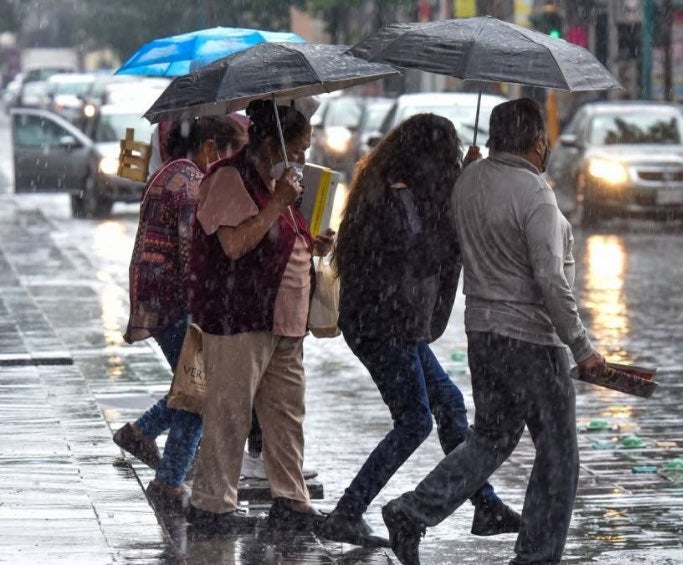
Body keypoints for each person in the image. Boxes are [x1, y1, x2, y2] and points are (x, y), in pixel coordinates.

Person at [381, 98, 606, 565]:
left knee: (490, 439)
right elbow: (549, 278)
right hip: (532, 340)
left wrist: (469, 173)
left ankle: (413, 511)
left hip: (484, 335)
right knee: (559, 454)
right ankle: (537, 555)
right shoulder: (535, 193)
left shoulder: (468, 183)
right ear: (538, 142)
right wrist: (581, 346)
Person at [317, 114, 521, 547]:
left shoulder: (404, 190)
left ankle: (484, 505)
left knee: (448, 403)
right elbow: (419, 256)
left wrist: (463, 182)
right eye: (446, 154)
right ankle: (348, 512)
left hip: (395, 324)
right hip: (381, 325)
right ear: (426, 156)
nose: (449, 162)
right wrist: (457, 214)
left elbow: (427, 242)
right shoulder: (392, 197)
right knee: (414, 422)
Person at [185, 99, 334, 533]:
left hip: (285, 322)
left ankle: (290, 499)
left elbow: (280, 235)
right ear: (274, 143)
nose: (304, 157)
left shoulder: (277, 182)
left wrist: (311, 242)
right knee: (229, 412)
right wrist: (279, 202)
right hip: (240, 316)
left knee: (286, 416)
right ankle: (212, 505)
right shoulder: (230, 178)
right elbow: (235, 245)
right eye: (300, 149)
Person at [115, 115, 246, 513]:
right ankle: (169, 480)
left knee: (193, 385)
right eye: (229, 156)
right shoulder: (190, 184)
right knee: (200, 391)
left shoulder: (171, 172)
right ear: (209, 148)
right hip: (176, 304)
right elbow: (195, 256)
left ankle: (142, 433)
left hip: (161, 300)